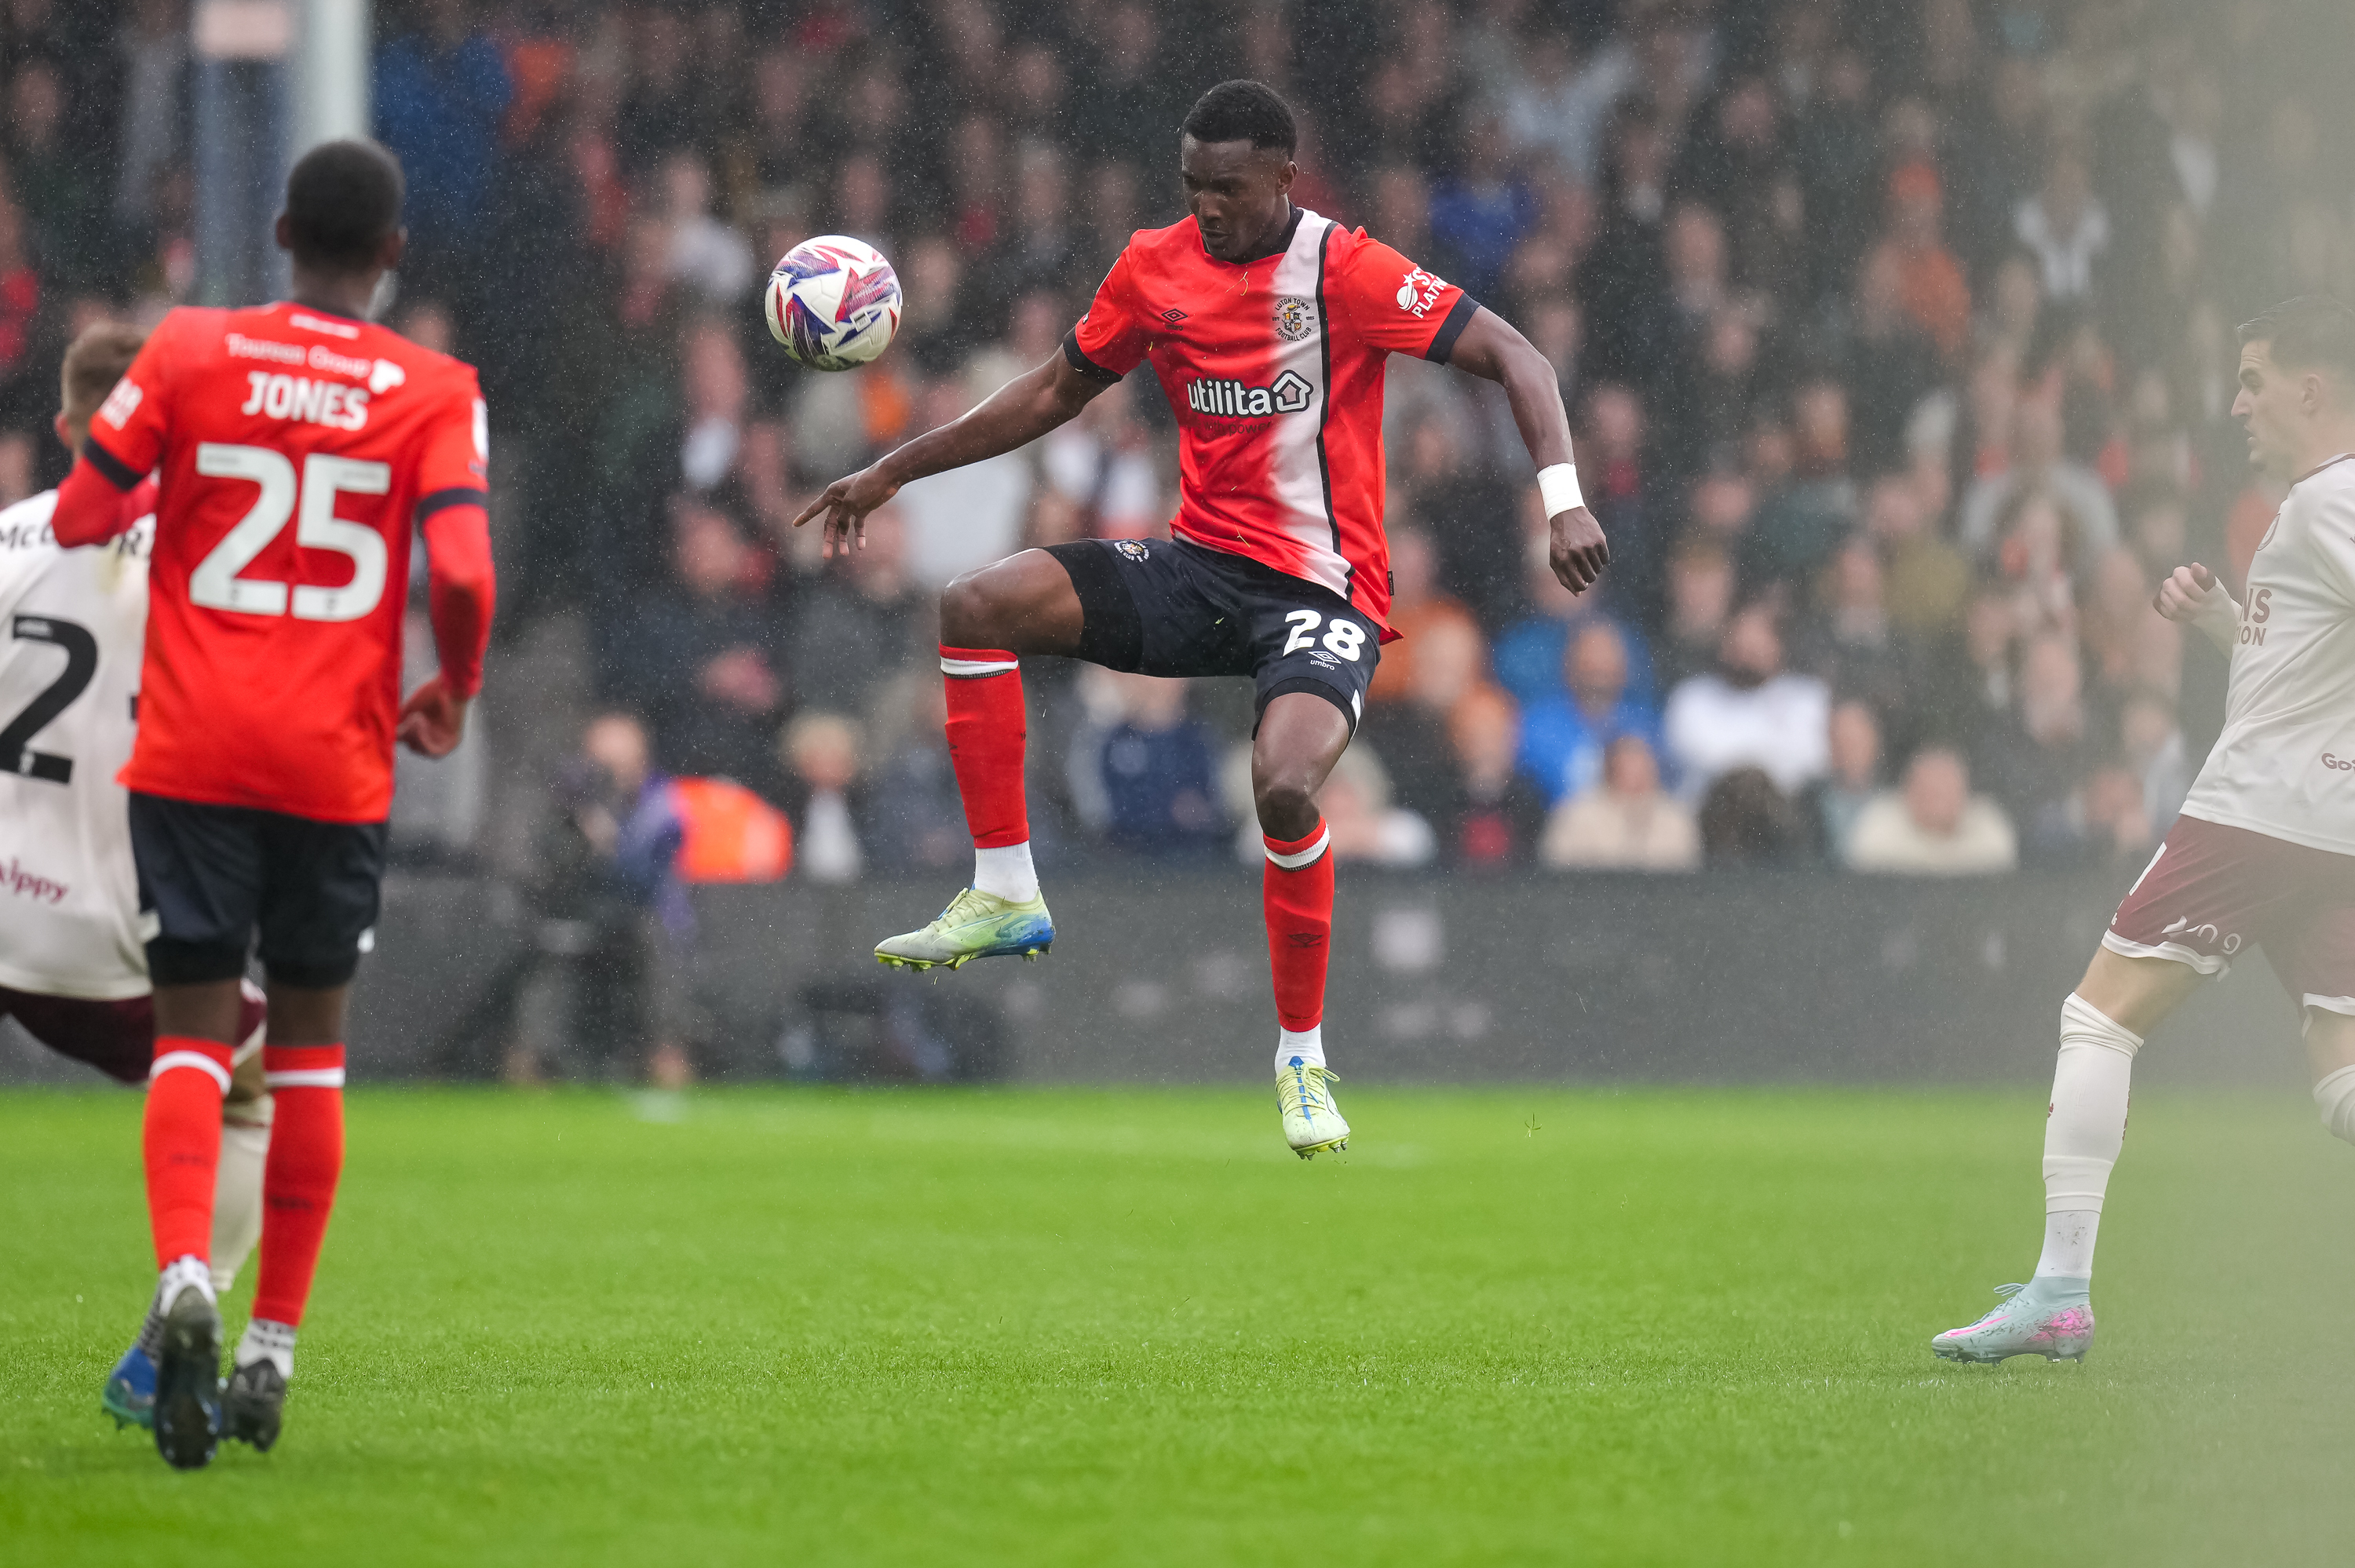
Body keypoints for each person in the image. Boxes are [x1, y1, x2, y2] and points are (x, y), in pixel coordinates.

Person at [794, 81, 1608, 1158]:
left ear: (1285, 177)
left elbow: (1520, 355)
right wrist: (892, 471)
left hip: (1320, 593)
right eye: (1193, 186)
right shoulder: (1154, 267)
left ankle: (1301, 1059)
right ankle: (1005, 891)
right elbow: (1048, 393)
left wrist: (1563, 499)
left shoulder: (1347, 270)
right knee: (976, 606)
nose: (1208, 207)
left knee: (1283, 785)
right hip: (1199, 572)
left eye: (1229, 188)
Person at [50, 140, 495, 1467]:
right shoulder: (436, 388)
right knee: (306, 1055)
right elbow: (464, 573)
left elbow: (82, 516)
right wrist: (454, 684)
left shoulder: (189, 349)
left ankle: (186, 1269)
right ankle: (272, 1345)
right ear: (393, 254)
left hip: (192, 752)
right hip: (332, 763)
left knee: (192, 1037)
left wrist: (176, 485)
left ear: (284, 232)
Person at [1932, 296, 2355, 1363]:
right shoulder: (2313, 506)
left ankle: (2060, 1291)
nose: (2237, 404)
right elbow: (2302, 670)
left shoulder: (2329, 500)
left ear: (2312, 389)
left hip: (2259, 811)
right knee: (2343, 1075)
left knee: (2098, 1019)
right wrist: (2221, 621)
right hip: (2335, 827)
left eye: (2254, 381)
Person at [0, 323, 270, 1432]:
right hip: (102, 944)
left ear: (66, 429)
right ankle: (174, 1325)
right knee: (260, 1083)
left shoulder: (5, 541)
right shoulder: (207, 563)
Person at [1846, 746, 2017, 873]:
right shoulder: (1879, 825)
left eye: (1947, 789)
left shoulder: (1988, 826)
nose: (1939, 800)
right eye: (1931, 790)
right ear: (1908, 792)